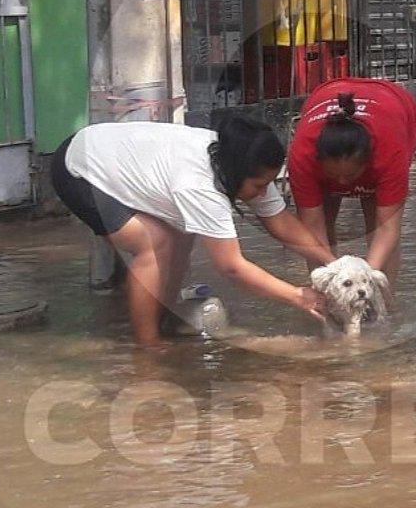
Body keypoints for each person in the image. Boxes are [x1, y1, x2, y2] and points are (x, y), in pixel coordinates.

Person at [52, 118, 333, 346]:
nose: (263, 193)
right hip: (79, 170)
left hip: (106, 150)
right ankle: (148, 348)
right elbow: (232, 267)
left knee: (181, 237)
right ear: (236, 173)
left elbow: (281, 221)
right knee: (157, 244)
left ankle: (161, 314)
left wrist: (333, 262)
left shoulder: (237, 158)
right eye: (259, 186)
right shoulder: (199, 184)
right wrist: (298, 296)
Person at [287, 78, 416, 289]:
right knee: (325, 213)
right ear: (319, 160)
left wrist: (364, 281)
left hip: (393, 103)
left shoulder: (389, 152)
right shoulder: (303, 155)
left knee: (375, 219)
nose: (341, 182)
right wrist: (334, 276)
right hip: (328, 91)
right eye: (333, 175)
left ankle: (387, 302)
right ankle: (324, 299)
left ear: (368, 162)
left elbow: (388, 229)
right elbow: (312, 227)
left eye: (349, 176)